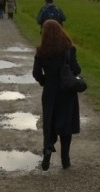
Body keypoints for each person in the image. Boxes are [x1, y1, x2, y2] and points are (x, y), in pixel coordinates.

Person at [32, 19, 81, 170]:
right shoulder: (68, 49)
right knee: (65, 123)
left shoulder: (42, 51)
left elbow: (36, 73)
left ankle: (47, 148)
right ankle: (65, 159)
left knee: (50, 121)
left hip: (50, 91)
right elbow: (77, 69)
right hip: (67, 91)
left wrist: (45, 81)